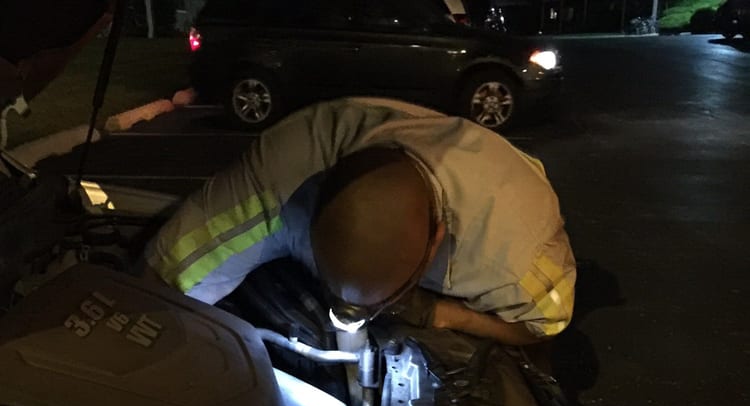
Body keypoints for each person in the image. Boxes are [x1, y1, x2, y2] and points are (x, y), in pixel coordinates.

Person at [146, 97, 576, 347]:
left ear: (435, 242)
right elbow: (159, 283)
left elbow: (542, 327)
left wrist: (444, 314)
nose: (344, 316)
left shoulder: (516, 255)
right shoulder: (284, 171)